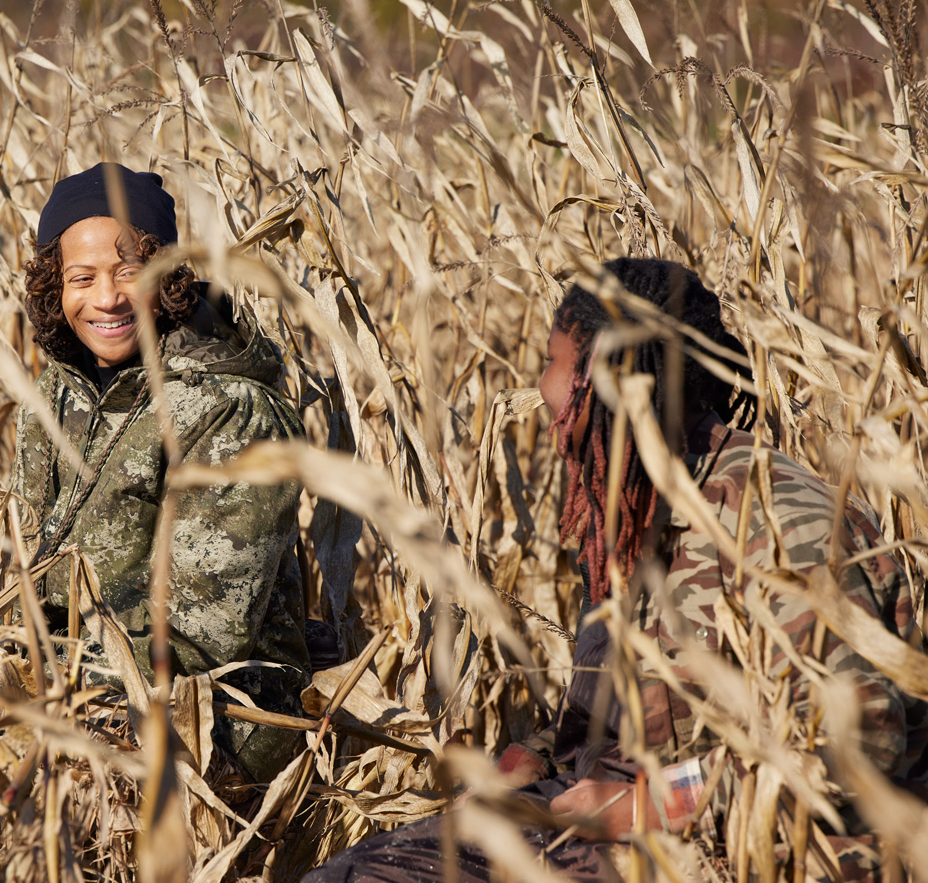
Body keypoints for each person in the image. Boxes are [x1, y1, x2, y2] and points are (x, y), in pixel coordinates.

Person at [304, 257, 927, 882]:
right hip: (604, 814)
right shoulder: (631, 510)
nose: (540, 388)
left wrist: (653, 804)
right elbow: (628, 728)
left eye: (552, 362)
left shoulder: (781, 523)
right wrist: (533, 759)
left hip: (756, 845)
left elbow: (860, 744)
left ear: (608, 378)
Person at [13, 162, 310, 781]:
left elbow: (201, 636)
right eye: (81, 277)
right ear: (53, 286)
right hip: (72, 692)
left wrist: (50, 695)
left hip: (211, 725)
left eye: (129, 271)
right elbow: (21, 571)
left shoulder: (231, 410)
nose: (106, 297)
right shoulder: (54, 399)